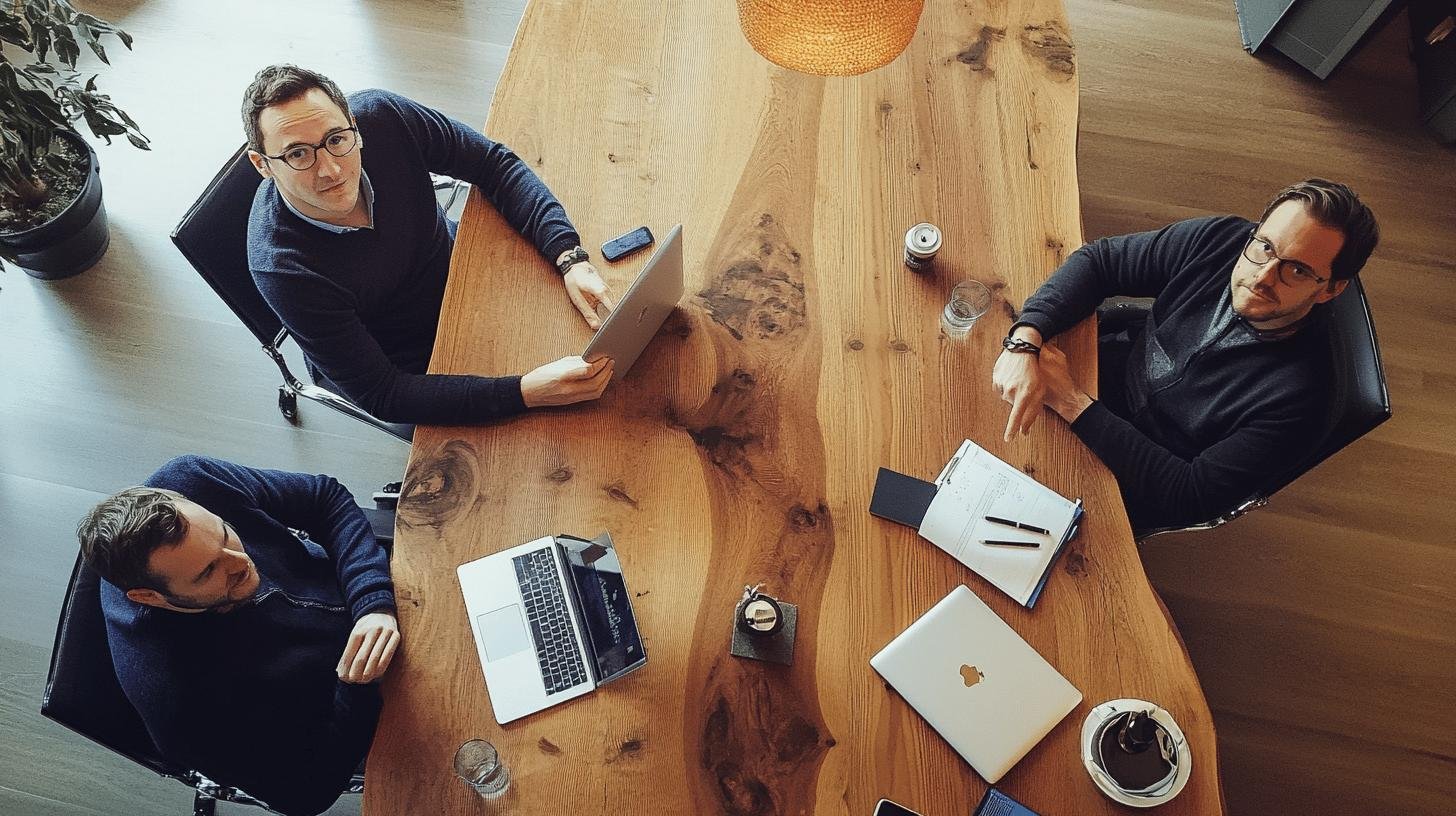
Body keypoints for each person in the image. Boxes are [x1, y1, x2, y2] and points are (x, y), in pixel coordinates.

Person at [991, 179, 1379, 532]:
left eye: (1296, 271)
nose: (1262, 277)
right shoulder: (1223, 240)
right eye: (1264, 247)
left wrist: (1073, 403)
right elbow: (1101, 262)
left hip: (1135, 471)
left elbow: (1188, 496)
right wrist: (1027, 337)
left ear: (1330, 289)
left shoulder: (1305, 399)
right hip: (1095, 371)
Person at [243, 64, 615, 425]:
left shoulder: (382, 116)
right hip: (414, 363)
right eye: (297, 154)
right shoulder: (284, 270)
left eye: (337, 140)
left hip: (466, 275)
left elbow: (492, 163)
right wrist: (524, 393)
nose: (331, 170)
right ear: (262, 165)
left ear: (354, 125)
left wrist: (569, 256)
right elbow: (383, 393)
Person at [77, 455, 399, 816]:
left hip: (378, 590)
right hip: (370, 699)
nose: (240, 562)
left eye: (226, 532)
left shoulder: (190, 480)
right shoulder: (178, 700)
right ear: (148, 597)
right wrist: (356, 688)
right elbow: (305, 793)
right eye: (209, 571)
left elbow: (324, 497)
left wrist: (372, 603)